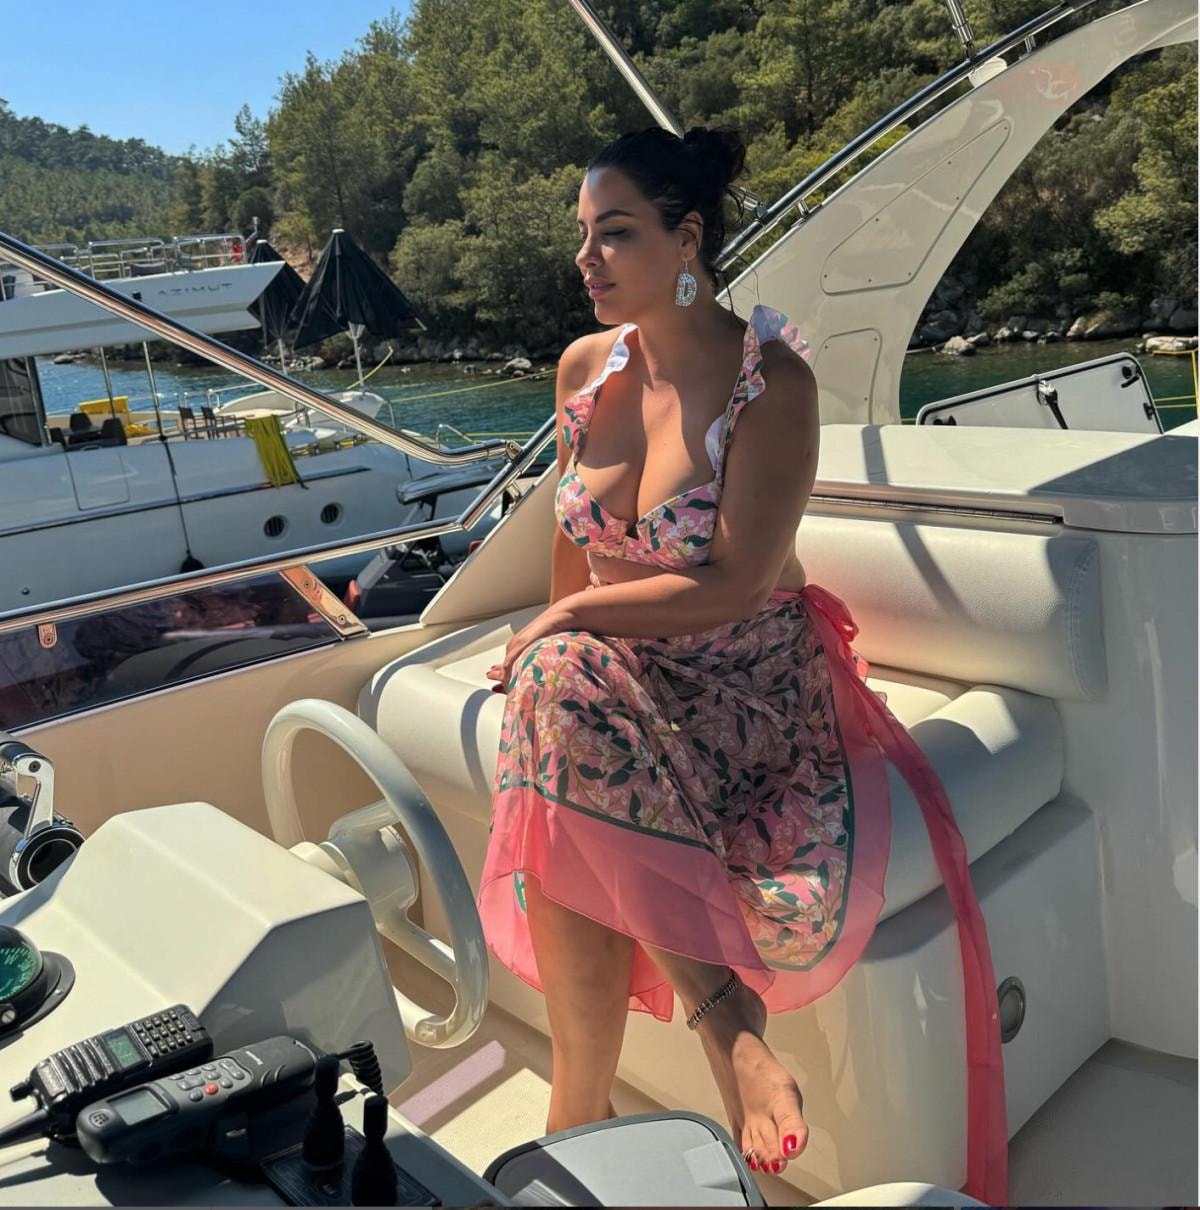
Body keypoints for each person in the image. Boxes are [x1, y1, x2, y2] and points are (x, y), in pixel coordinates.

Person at [479, 126, 1007, 1201]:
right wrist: (557, 637)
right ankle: (655, 1075)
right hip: (617, 677)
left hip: (744, 683)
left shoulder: (772, 387)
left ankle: (631, 1082)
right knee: (555, 708)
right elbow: (572, 555)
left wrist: (567, 625)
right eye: (583, 235)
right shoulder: (584, 371)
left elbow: (733, 582)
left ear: (687, 239)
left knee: (558, 709)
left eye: (615, 234)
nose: (586, 259)